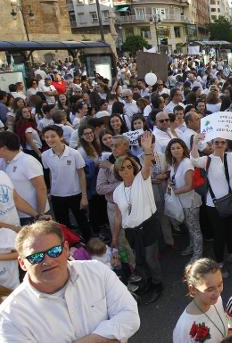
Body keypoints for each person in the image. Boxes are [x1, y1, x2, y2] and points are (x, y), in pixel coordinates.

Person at [0, 220, 140, 341]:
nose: (47, 261)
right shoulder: (10, 315)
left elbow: (130, 315)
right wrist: (109, 336)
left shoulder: (96, 271)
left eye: (54, 251)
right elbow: (123, 323)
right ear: (22, 263)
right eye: (36, 257)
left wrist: (93, 340)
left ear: (66, 249)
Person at [111, 132, 164, 303]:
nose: (126, 170)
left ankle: (158, 284)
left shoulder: (142, 179)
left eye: (129, 167)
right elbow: (119, 215)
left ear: (134, 167)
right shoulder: (118, 191)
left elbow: (147, 165)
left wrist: (147, 151)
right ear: (117, 172)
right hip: (131, 231)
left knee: (150, 258)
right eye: (122, 168)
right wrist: (114, 238)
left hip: (148, 226)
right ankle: (148, 281)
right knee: (139, 260)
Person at [191, 134, 232, 268]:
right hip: (213, 204)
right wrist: (195, 143)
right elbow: (194, 160)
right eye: (216, 142)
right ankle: (219, 261)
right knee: (219, 234)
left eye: (222, 142)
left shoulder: (230, 156)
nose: (219, 145)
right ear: (212, 145)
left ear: (226, 144)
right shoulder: (207, 159)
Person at [41, 125, 91, 240]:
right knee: (63, 225)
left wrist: (84, 196)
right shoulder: (45, 155)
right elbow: (50, 173)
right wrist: (51, 190)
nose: (49, 139)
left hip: (75, 193)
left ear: (61, 137)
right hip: (57, 195)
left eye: (53, 136)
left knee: (82, 222)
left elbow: (81, 174)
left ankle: (90, 244)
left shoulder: (74, 153)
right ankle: (70, 247)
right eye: (46, 137)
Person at [173, 258, 232, 343]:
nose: (217, 293)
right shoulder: (184, 328)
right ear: (193, 289)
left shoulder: (216, 300)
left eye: (220, 284)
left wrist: (231, 335)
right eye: (210, 289)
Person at [0, 131, 49, 225]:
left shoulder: (28, 162)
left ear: (3, 148)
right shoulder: (2, 161)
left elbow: (41, 188)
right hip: (15, 214)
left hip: (32, 215)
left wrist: (40, 215)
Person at [166, 138, 202, 260]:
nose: (175, 150)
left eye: (178, 147)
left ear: (183, 149)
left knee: (194, 229)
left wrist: (174, 192)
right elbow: (175, 179)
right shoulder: (174, 163)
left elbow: (190, 185)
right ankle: (192, 246)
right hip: (182, 201)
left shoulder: (187, 163)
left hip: (190, 201)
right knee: (189, 227)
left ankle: (198, 254)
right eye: (172, 148)